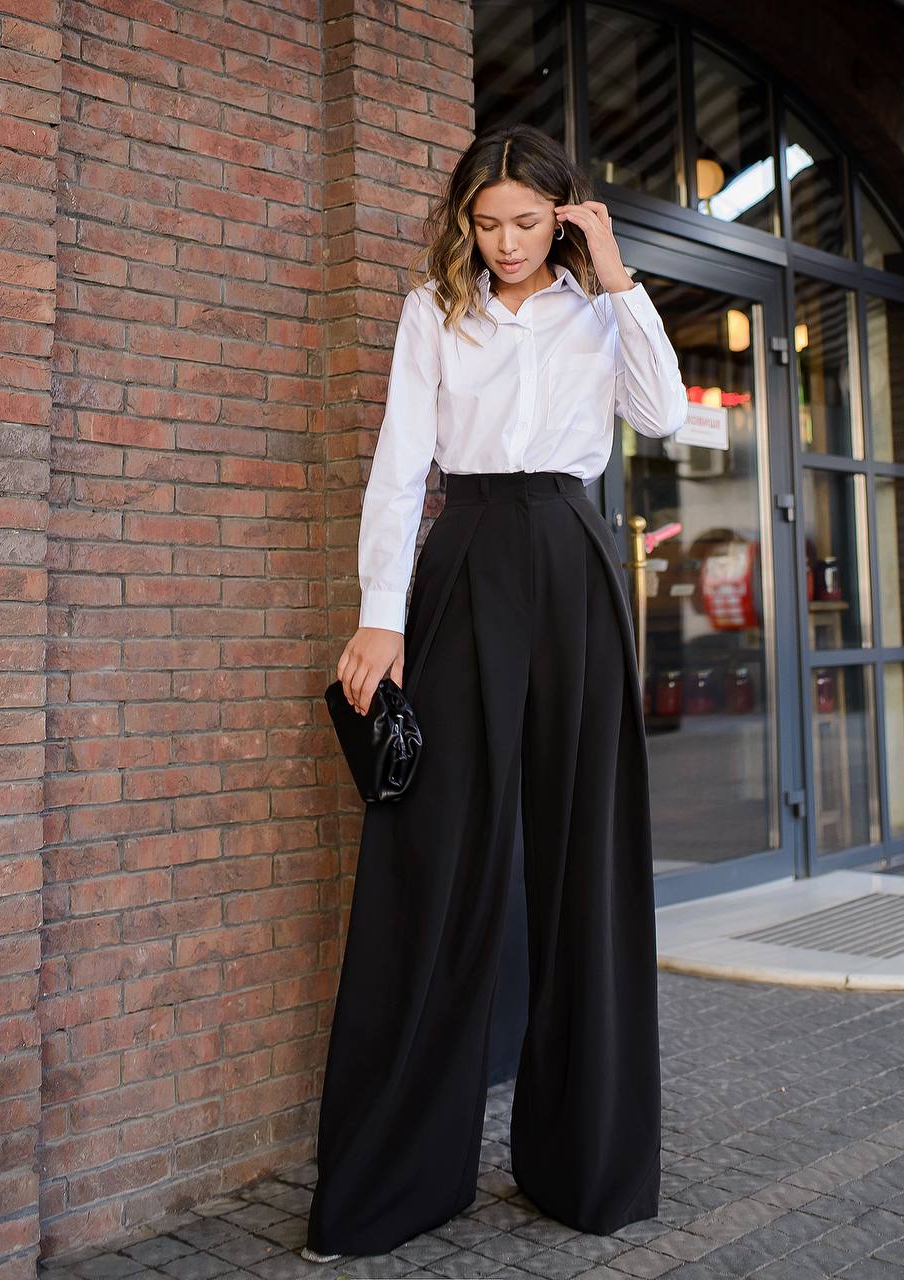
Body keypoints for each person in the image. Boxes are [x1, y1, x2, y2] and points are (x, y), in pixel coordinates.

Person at [303, 122, 689, 1264]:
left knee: (584, 851)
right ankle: (397, 1173)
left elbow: (662, 416)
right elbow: (399, 456)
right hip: (462, 553)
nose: (508, 242)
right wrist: (383, 608)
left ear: (564, 215)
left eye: (529, 221)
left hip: (571, 561)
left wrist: (616, 276)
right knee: (431, 846)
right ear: (463, 219)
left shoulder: (596, 307)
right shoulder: (437, 308)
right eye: (488, 221)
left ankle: (586, 1162)